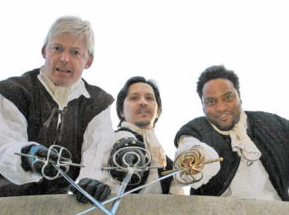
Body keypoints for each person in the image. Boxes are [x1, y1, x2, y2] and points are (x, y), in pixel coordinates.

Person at [0, 15, 113, 201]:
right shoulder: (12, 91)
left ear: (88, 61)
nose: (64, 58)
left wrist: (93, 181)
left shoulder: (98, 103)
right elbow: (5, 147)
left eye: (75, 52)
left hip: (59, 206)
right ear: (44, 51)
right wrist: (29, 156)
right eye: (57, 48)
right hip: (4, 202)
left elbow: (97, 152)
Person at [173, 65, 289, 201]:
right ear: (203, 106)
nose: (221, 108)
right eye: (211, 102)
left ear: (239, 97)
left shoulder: (274, 124)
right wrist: (191, 161)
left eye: (228, 98)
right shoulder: (196, 130)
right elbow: (188, 146)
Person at [77, 76, 183, 204]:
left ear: (158, 111)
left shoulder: (168, 164)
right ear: (121, 111)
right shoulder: (105, 142)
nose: (143, 102)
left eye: (149, 98)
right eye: (134, 98)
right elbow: (89, 175)